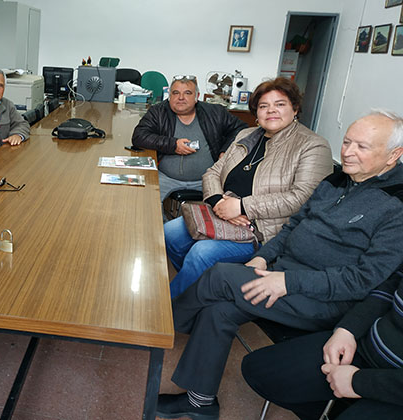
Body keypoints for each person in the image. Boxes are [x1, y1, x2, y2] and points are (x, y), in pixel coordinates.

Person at [156, 110, 403, 420]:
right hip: (280, 275)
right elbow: (292, 227)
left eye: (362, 147)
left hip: (325, 300)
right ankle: (199, 402)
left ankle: (159, 327)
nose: (348, 152)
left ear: (394, 155)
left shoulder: (397, 205)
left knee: (219, 276)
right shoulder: (338, 179)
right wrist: (262, 257)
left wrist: (287, 282)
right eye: (347, 142)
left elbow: (364, 279)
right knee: (218, 311)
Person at [163, 77, 333, 298]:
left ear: (295, 109)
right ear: (256, 112)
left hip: (264, 229)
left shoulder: (313, 145)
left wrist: (242, 207)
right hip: (222, 213)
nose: (271, 110)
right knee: (169, 234)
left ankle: (173, 308)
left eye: (280, 104)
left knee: (202, 253)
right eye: (264, 106)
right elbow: (212, 172)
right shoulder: (246, 135)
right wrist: (219, 203)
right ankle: (203, 288)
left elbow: (302, 198)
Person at [241, 271, 403, 420]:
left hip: (394, 389)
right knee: (258, 371)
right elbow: (391, 286)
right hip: (365, 346)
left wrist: (358, 382)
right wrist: (348, 329)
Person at [131, 75, 248, 204]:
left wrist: (225, 150)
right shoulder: (158, 112)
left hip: (208, 180)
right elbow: (139, 136)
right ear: (169, 95)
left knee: (225, 210)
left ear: (197, 97)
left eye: (187, 93)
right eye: (176, 93)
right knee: (145, 206)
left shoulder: (215, 112)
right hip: (165, 177)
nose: (181, 98)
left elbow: (241, 129)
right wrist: (173, 145)